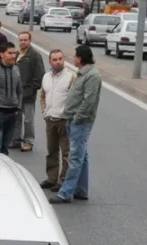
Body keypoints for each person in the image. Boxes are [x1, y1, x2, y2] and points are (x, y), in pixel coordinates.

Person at [51, 45, 101, 204]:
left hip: (80, 122)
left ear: (80, 58)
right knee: (82, 156)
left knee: (75, 158)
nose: (73, 58)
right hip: (72, 119)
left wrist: (77, 118)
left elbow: (89, 101)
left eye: (75, 56)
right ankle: (81, 190)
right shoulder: (82, 73)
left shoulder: (92, 76)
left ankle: (66, 193)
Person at [39, 49, 75, 191]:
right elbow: (42, 95)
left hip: (64, 120)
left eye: (60, 58)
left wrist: (69, 115)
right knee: (51, 151)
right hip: (50, 119)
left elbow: (74, 98)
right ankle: (51, 178)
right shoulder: (46, 77)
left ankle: (63, 180)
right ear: (50, 62)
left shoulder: (71, 77)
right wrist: (44, 110)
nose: (58, 61)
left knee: (66, 153)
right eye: (55, 59)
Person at [12, 31, 44, 152]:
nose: (23, 42)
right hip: (15, 94)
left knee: (28, 120)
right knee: (16, 118)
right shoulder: (15, 54)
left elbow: (39, 77)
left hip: (28, 94)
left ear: (29, 40)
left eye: (25, 40)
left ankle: (28, 141)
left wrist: (29, 91)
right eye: (21, 40)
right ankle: (16, 139)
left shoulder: (35, 55)